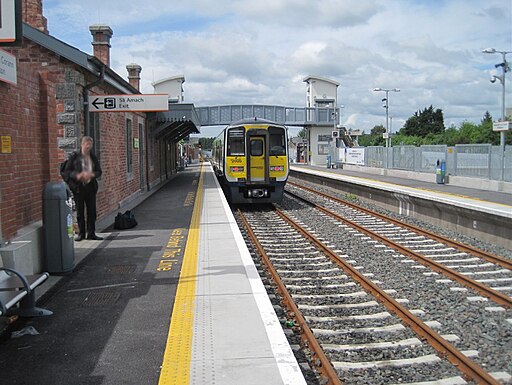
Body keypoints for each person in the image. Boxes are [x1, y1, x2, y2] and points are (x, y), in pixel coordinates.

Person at [63, 136, 103, 241]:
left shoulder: (93, 157)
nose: (89, 147)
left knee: (92, 211)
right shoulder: (74, 157)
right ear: (82, 145)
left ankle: (91, 233)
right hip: (79, 188)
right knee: (80, 211)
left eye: (90, 145)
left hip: (90, 187)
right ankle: (81, 233)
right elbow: (67, 171)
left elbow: (99, 171)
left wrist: (92, 174)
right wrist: (77, 175)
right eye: (87, 145)